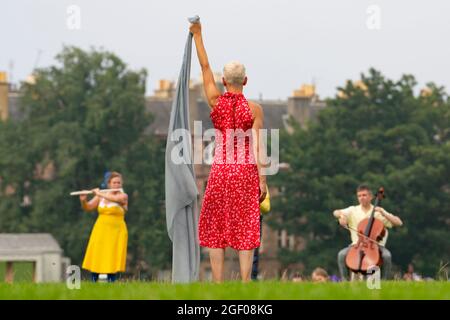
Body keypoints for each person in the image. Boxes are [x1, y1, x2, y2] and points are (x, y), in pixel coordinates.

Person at [190, 21, 267, 283]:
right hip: (245, 171)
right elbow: (258, 146)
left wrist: (197, 35)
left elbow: (204, 67)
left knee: (215, 226)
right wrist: (263, 180)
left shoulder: (215, 100)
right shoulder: (255, 109)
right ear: (245, 80)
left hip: (221, 169)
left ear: (223, 81)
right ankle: (246, 282)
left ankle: (218, 282)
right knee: (246, 225)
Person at [333, 184, 403, 280]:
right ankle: (345, 282)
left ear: (371, 197)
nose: (361, 198)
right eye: (359, 196)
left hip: (376, 246)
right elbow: (336, 212)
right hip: (356, 245)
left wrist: (384, 213)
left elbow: (399, 223)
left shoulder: (378, 212)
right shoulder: (353, 210)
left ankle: (384, 282)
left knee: (387, 256)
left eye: (364, 195)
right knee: (341, 254)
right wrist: (342, 217)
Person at [80, 171, 128, 282]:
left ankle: (111, 281)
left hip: (116, 231)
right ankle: (93, 280)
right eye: (114, 183)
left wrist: (99, 193)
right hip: (101, 229)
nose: (117, 185)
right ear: (109, 184)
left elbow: (117, 200)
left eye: (119, 183)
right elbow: (88, 207)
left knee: (112, 255)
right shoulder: (101, 196)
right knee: (98, 254)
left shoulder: (123, 196)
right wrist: (83, 200)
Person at [251, 185, 271, 281]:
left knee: (253, 251)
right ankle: (251, 278)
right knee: (252, 251)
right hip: (254, 215)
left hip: (255, 215)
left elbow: (266, 207)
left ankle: (251, 278)